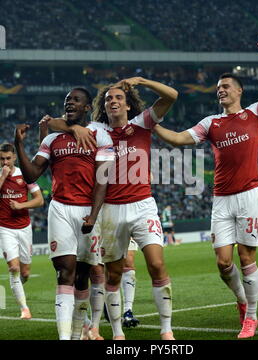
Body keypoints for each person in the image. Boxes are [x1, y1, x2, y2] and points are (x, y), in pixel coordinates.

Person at [153, 36, 258, 339]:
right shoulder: (210, 123)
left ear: (239, 90)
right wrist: (151, 125)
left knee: (246, 258)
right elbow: (178, 139)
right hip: (221, 201)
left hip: (249, 195)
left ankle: (251, 318)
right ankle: (242, 300)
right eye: (218, 88)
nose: (221, 90)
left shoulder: (254, 113)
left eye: (226, 86)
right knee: (223, 263)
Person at [48, 77, 178, 340]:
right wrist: (76, 130)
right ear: (103, 106)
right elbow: (51, 122)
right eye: (108, 99)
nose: (113, 101)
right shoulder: (96, 129)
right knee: (113, 273)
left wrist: (141, 80)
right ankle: (117, 332)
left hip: (143, 205)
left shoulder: (142, 122)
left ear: (128, 105)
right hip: (110, 210)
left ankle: (166, 330)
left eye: (118, 98)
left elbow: (172, 96)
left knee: (156, 263)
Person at [14, 87, 114, 340]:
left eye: (76, 100)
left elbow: (102, 180)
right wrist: (19, 146)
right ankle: (64, 336)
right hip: (59, 208)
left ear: (87, 107)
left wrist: (94, 214)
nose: (69, 103)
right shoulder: (51, 139)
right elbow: (31, 174)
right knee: (65, 272)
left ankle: (82, 329)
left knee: (83, 275)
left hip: (88, 210)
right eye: (67, 100)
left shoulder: (100, 135)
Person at [0, 143, 44, 319]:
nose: (5, 162)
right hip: (4, 228)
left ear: (14, 158)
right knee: (14, 267)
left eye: (8, 158)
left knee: (25, 272)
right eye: (2, 158)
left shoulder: (25, 175)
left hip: (24, 227)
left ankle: (17, 285)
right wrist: (3, 177)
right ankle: (24, 308)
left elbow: (39, 200)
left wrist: (21, 205)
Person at [122, 238, 140, 328]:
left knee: (128, 263)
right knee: (99, 269)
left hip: (126, 226)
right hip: (104, 227)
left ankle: (128, 311)